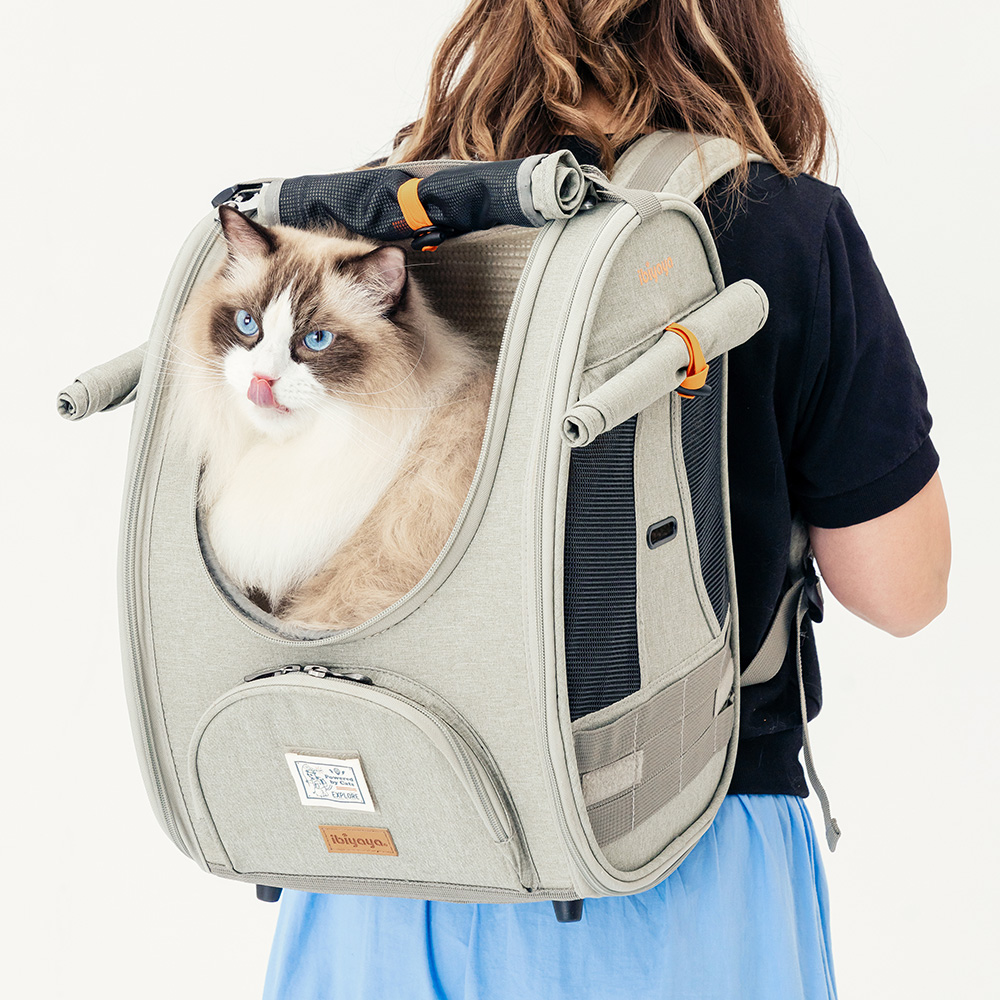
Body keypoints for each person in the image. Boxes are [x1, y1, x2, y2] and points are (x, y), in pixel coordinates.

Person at [263, 2, 950, 997]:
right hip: (674, 848)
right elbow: (903, 590)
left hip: (379, 849)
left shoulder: (362, 226)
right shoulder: (780, 227)